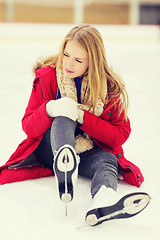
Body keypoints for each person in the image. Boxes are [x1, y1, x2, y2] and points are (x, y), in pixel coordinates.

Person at [0, 24, 150, 226]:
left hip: (87, 150)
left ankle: (103, 201)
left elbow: (119, 135)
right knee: (64, 113)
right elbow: (28, 127)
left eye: (78, 60)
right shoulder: (47, 77)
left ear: (93, 62)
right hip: (50, 150)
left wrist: (83, 116)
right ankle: (65, 163)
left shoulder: (109, 89)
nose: (68, 63)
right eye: (66, 54)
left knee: (107, 160)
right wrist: (51, 108)